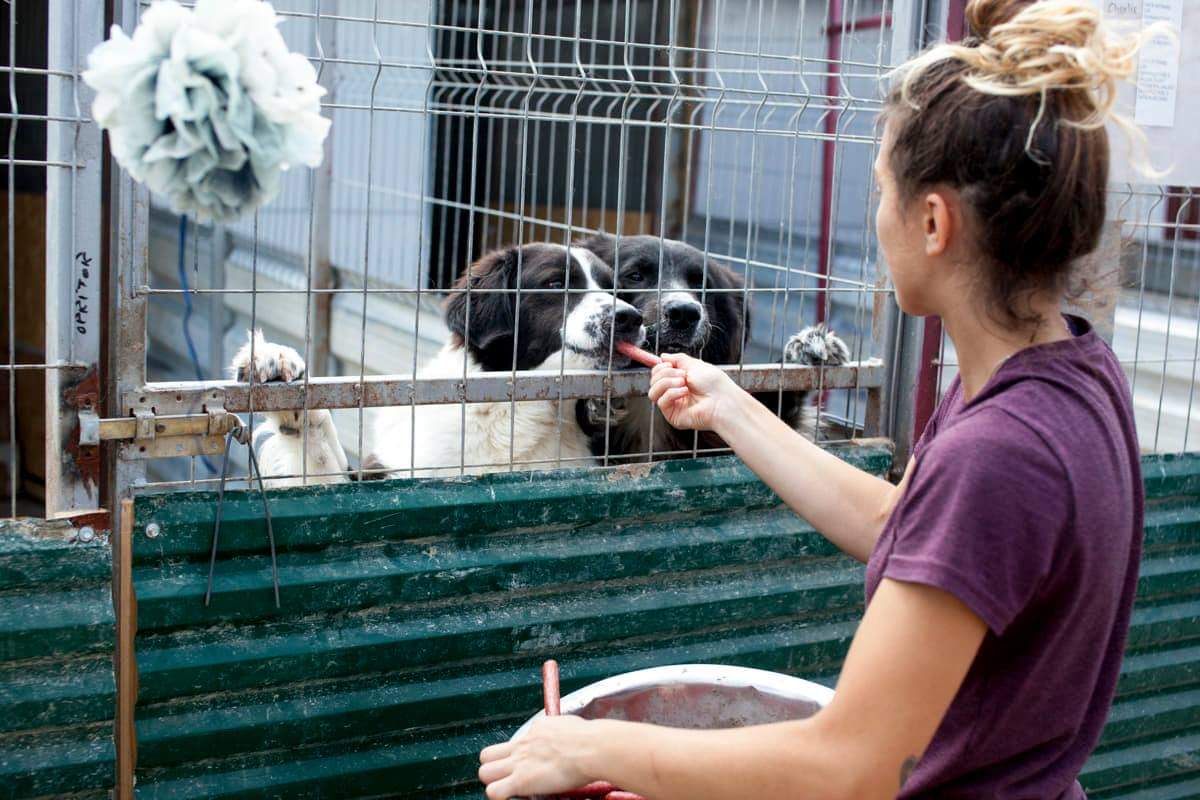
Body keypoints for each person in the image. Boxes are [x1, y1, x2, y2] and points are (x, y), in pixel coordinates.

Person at [478, 0, 1156, 796]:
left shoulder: (999, 452)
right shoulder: (1067, 374)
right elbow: (904, 525)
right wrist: (730, 407)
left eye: (881, 190)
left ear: (932, 222)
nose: (878, 217)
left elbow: (851, 766)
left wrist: (595, 750)